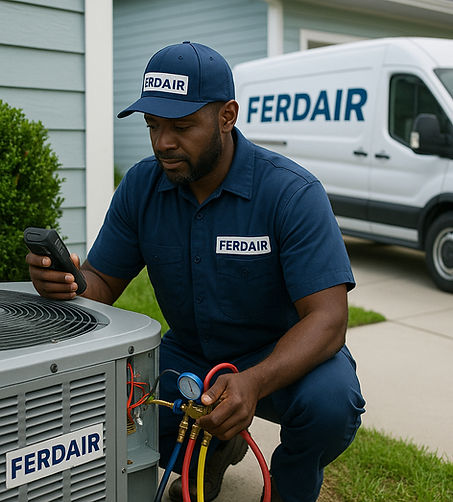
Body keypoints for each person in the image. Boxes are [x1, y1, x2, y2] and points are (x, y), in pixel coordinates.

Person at [27, 41, 365, 502]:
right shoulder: (141, 187)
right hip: (190, 358)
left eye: (182, 126)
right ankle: (207, 455)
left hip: (280, 359)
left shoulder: (291, 193)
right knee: (115, 413)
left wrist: (254, 382)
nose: (163, 142)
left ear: (227, 116)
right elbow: (102, 283)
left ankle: (289, 485)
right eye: (153, 125)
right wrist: (66, 282)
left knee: (331, 406)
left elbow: (329, 319)